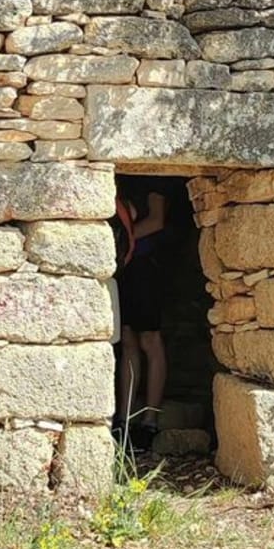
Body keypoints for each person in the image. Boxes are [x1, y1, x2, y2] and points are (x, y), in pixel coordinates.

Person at [112, 176, 170, 448]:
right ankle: (124, 420)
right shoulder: (120, 178)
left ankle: (149, 421)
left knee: (150, 340)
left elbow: (157, 220)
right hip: (125, 268)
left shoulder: (154, 179)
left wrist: (124, 238)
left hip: (147, 266)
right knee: (128, 340)